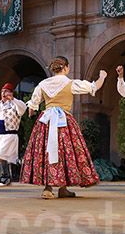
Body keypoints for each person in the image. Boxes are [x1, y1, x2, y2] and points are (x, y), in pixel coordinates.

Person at [20, 57, 106, 200]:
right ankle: (60, 188)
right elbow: (94, 87)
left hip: (46, 121)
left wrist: (32, 112)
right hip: (63, 121)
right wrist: (102, 76)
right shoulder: (70, 83)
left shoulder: (43, 84)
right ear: (66, 67)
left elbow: (33, 104)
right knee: (66, 152)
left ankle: (52, 188)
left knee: (47, 151)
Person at [0, 83, 27, 186]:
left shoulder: (15, 104)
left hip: (9, 134)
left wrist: (13, 99)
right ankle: (6, 177)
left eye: (6, 91)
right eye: (2, 91)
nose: (3, 93)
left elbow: (23, 108)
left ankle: (5, 177)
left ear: (11, 93)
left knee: (1, 155)